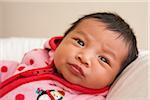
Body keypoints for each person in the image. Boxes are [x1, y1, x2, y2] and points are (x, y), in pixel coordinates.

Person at [0, 12, 138, 100]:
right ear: (62, 40)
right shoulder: (37, 60)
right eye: (80, 42)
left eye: (103, 59)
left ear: (115, 77)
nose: (84, 58)